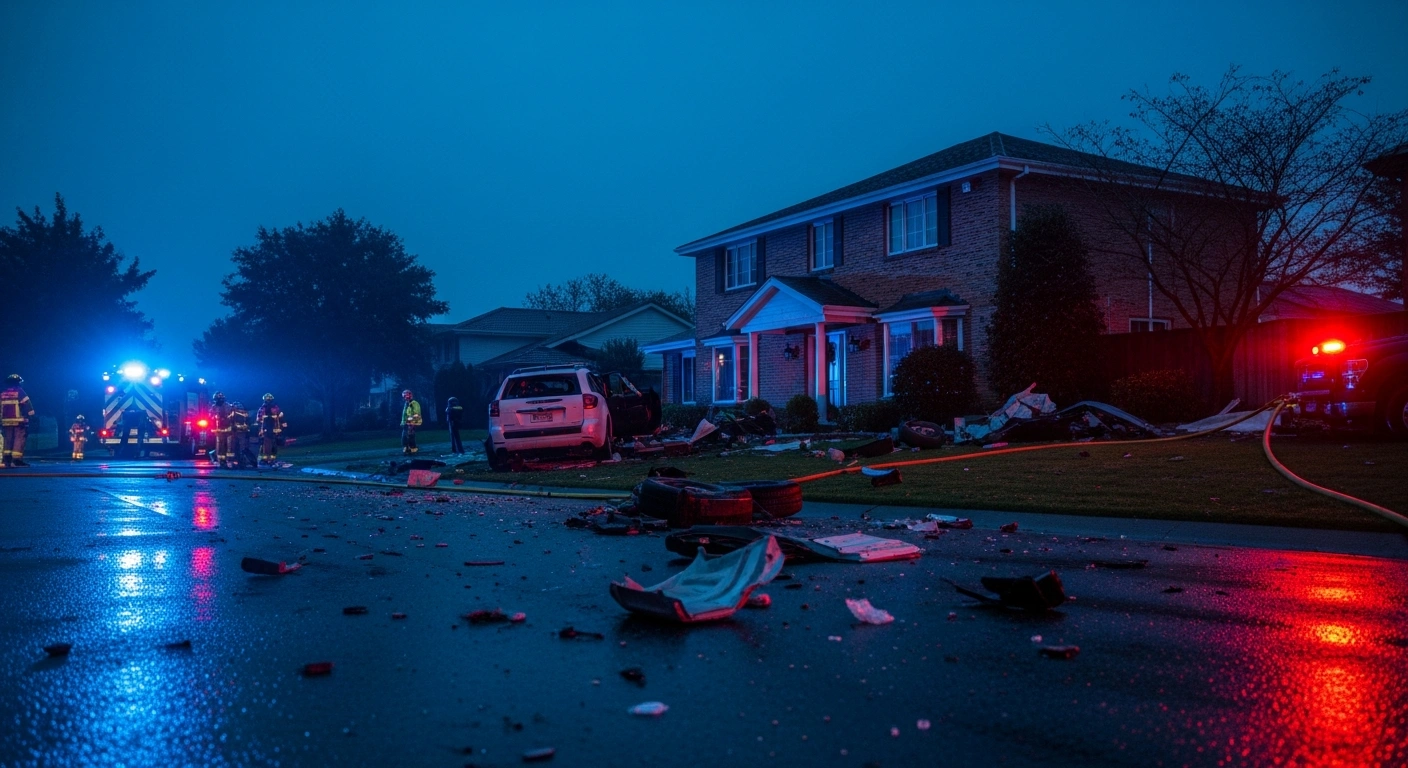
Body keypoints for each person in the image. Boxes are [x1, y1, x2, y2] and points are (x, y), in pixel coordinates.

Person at [1, 374, 35, 468]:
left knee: (8, 440)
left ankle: (7, 459)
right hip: (19, 422)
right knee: (19, 439)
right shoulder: (20, 392)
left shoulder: (3, 393)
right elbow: (27, 405)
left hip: (5, 422)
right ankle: (16, 460)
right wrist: (32, 416)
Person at [257, 393, 285, 466]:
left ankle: (271, 459)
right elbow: (259, 419)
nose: (268, 401)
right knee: (266, 445)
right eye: (267, 400)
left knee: (273, 445)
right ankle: (265, 460)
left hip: (274, 429)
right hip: (266, 429)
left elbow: (280, 417)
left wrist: (282, 425)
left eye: (269, 400)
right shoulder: (262, 409)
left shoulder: (276, 408)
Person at [210, 391, 233, 467]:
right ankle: (221, 460)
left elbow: (232, 415)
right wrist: (215, 417)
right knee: (220, 445)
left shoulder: (228, 406)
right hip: (219, 429)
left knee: (228, 445)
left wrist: (227, 418)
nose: (218, 401)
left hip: (228, 428)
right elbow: (210, 416)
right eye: (217, 399)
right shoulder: (214, 407)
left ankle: (228, 459)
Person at [229, 400, 252, 468]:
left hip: (240, 432)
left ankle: (239, 460)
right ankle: (236, 460)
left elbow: (248, 422)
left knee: (239, 447)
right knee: (235, 447)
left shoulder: (242, 414)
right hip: (236, 432)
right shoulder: (235, 413)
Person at [400, 389, 422, 455]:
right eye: (404, 396)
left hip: (410, 423)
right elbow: (404, 414)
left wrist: (411, 423)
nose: (405, 398)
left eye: (406, 396)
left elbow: (416, 414)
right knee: (405, 438)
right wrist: (403, 422)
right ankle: (408, 450)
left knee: (409, 438)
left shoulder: (414, 403)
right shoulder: (406, 404)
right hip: (406, 424)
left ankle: (413, 450)